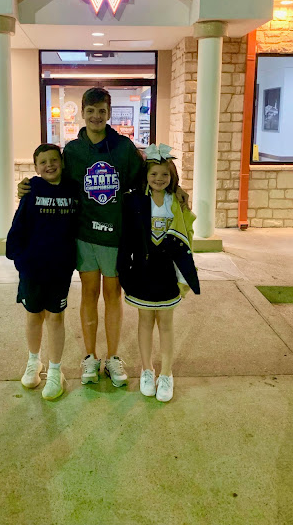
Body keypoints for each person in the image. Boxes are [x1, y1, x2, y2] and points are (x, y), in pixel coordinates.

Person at [19, 87, 143, 387]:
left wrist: (175, 188)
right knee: (89, 294)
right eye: (91, 111)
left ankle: (113, 357)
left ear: (109, 112)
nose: (96, 116)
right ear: (83, 114)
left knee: (112, 296)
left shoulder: (124, 148)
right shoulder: (73, 151)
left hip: (114, 236)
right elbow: (54, 179)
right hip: (84, 235)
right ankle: (90, 356)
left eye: (102, 111)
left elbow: (146, 179)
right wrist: (28, 186)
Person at [117, 144, 200, 402]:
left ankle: (166, 373)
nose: (159, 178)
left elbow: (186, 237)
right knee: (144, 321)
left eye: (165, 174)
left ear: (172, 177)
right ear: (146, 175)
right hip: (143, 271)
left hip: (167, 272)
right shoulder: (135, 201)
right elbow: (127, 238)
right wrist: (125, 270)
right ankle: (147, 370)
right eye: (153, 174)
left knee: (165, 323)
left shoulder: (177, 202)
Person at [6, 143, 78, 400]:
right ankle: (34, 361)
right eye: (43, 162)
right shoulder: (32, 189)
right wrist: (20, 259)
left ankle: (56, 371)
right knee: (33, 316)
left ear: (62, 162)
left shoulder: (73, 189)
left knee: (56, 317)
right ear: (36, 167)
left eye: (54, 160)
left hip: (60, 268)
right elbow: (19, 226)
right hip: (33, 267)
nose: (50, 165)